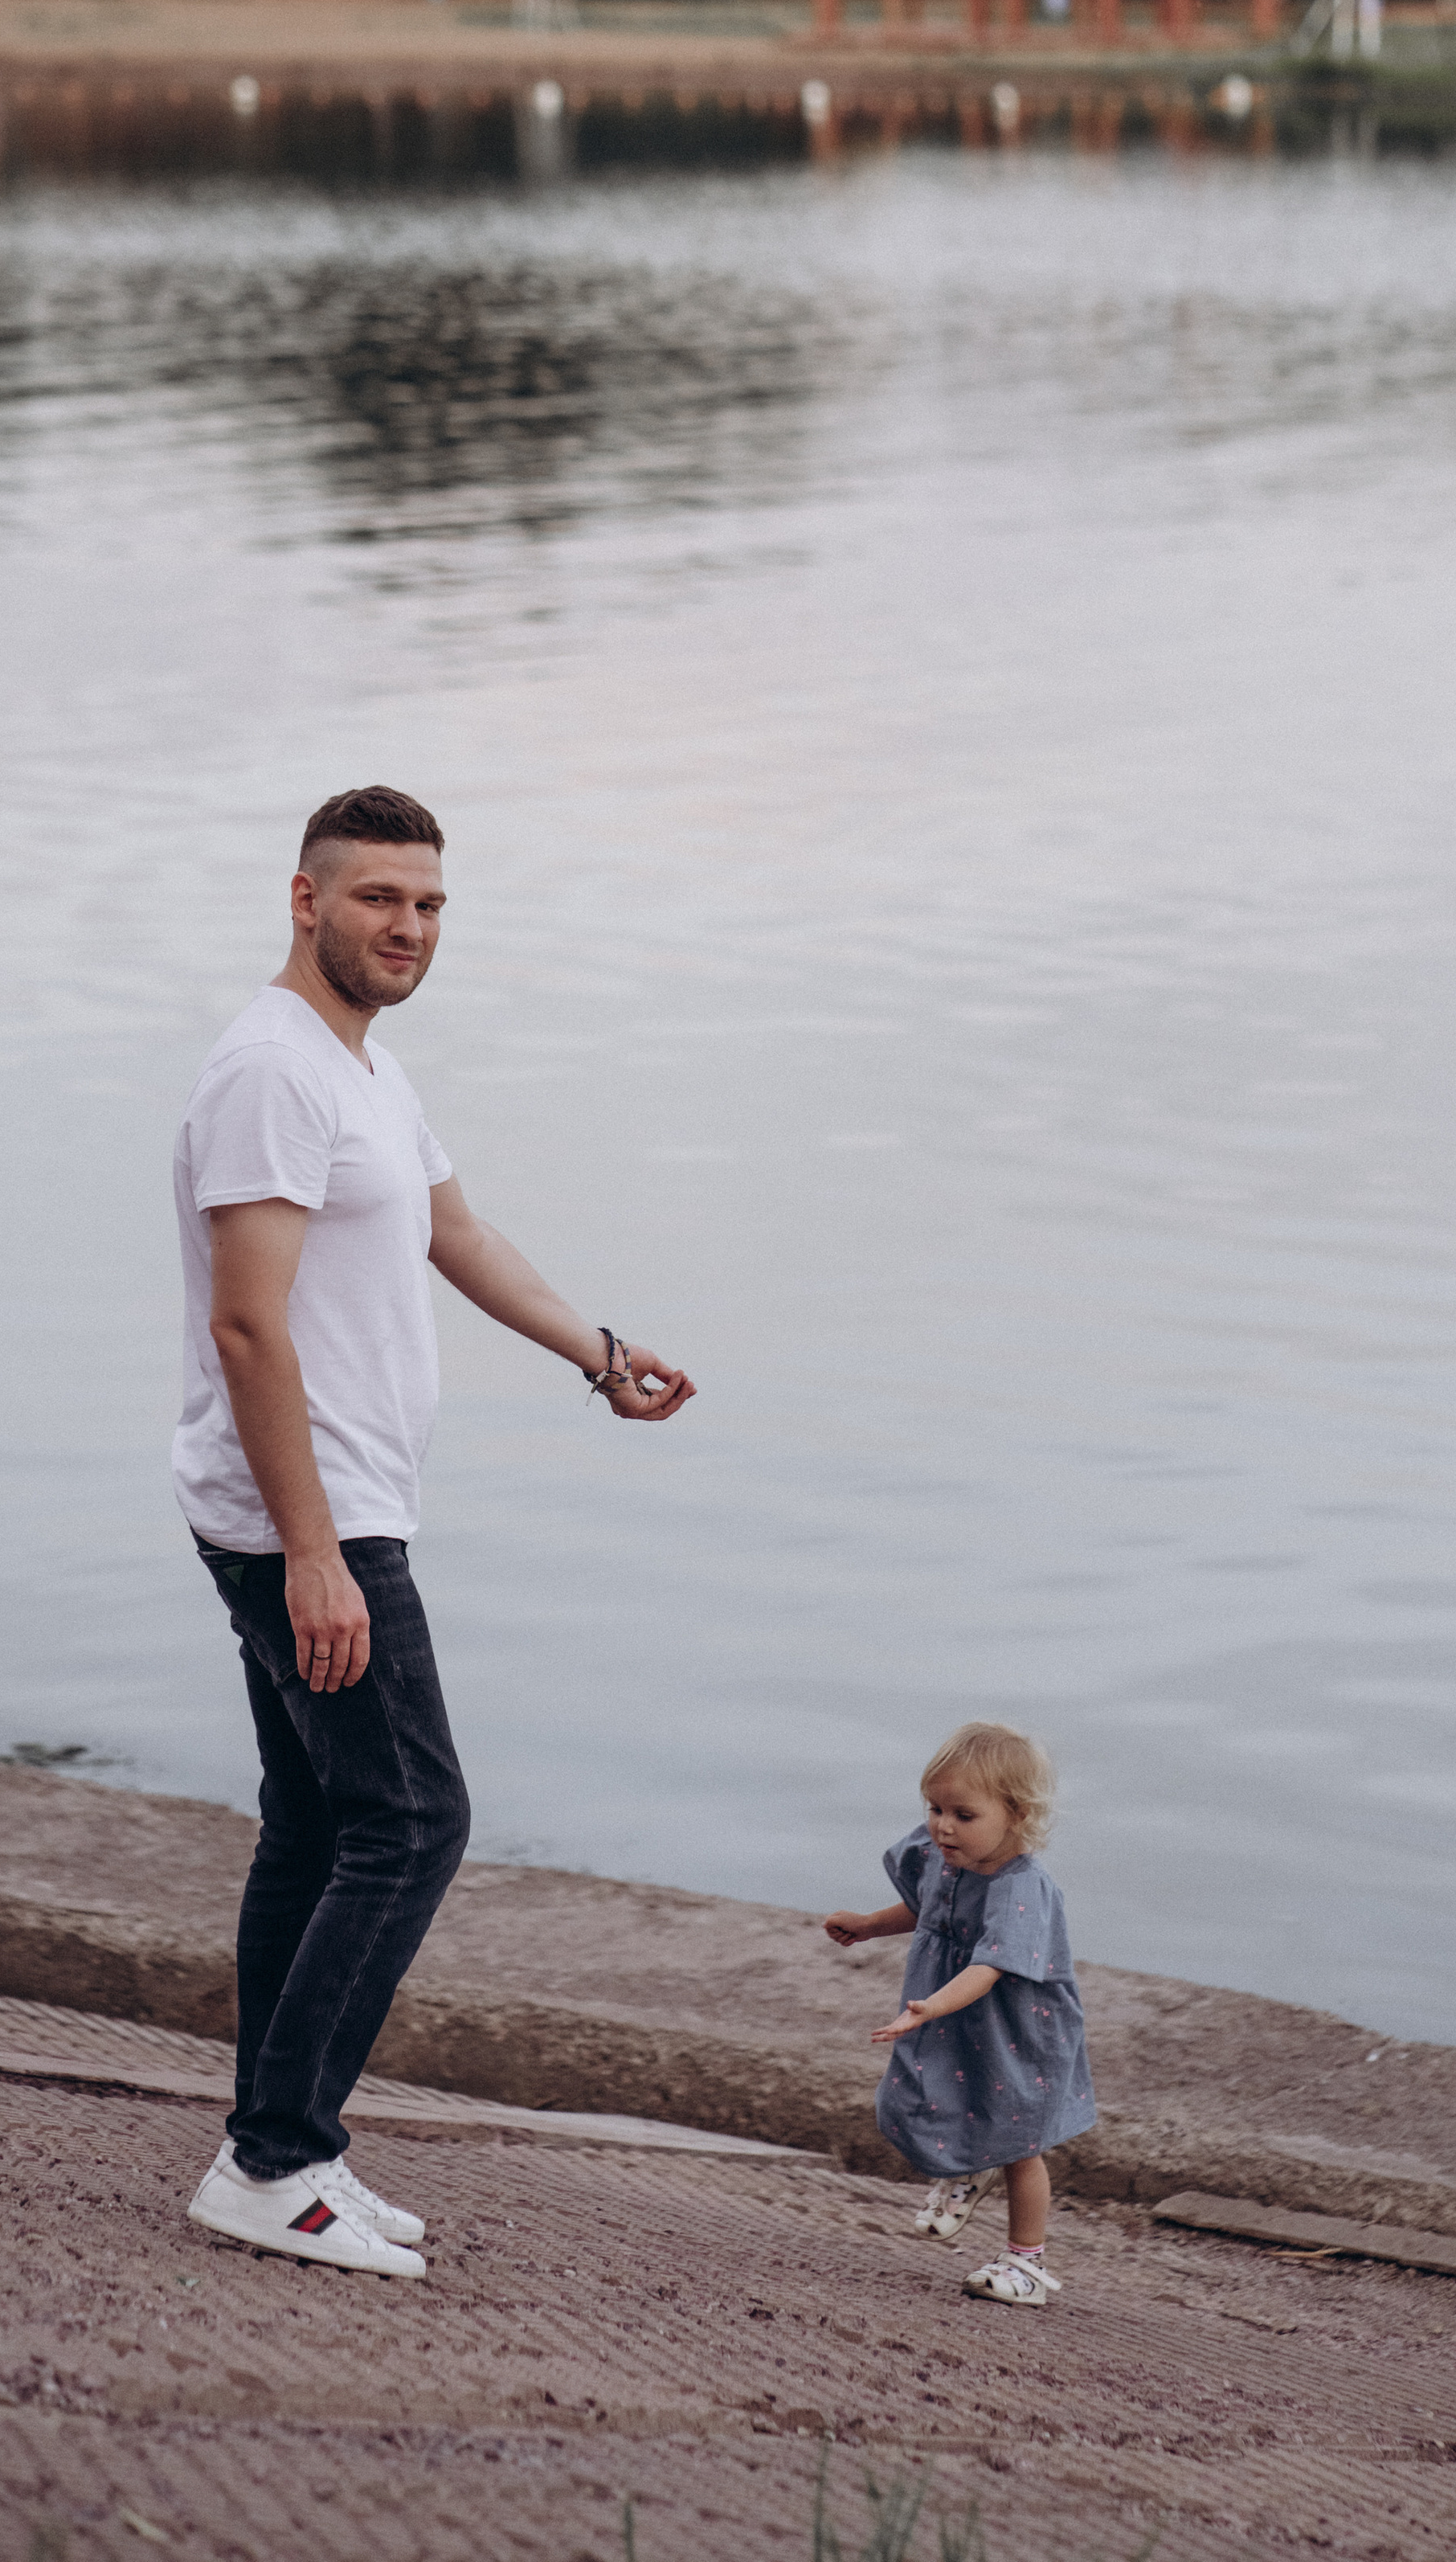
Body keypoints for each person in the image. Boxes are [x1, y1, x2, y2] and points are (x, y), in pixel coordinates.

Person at [175, 784, 694, 2276]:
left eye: (429, 906)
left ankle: (282, 2145)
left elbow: (451, 1232)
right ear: (304, 899)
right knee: (413, 1822)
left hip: (323, 1507)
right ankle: (274, 2161)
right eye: (378, 900)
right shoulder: (271, 1072)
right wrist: (317, 1550)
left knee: (322, 1823)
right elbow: (245, 1325)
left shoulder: (361, 1071)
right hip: (310, 1517)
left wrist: (597, 1352)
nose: (407, 929)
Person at [823, 1721, 1096, 2308]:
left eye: (963, 1815)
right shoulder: (944, 1860)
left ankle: (1026, 2264)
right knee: (912, 2098)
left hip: (1014, 2031)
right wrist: (871, 1925)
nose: (943, 1825)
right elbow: (926, 1910)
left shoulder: (1022, 1888)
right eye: (935, 1807)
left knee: (1019, 2141)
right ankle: (970, 2169)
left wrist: (931, 2006)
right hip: (951, 2013)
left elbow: (992, 1966)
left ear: (1016, 1815)